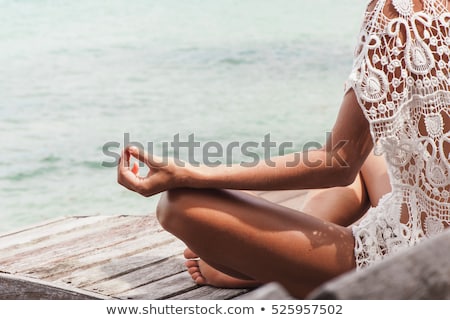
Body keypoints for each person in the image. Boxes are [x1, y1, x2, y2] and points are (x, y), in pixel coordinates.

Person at [117, 0, 450, 298]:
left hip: (420, 260)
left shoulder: (400, 12)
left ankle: (276, 266)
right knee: (374, 155)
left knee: (180, 205)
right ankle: (291, 253)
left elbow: (338, 162)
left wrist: (188, 173)